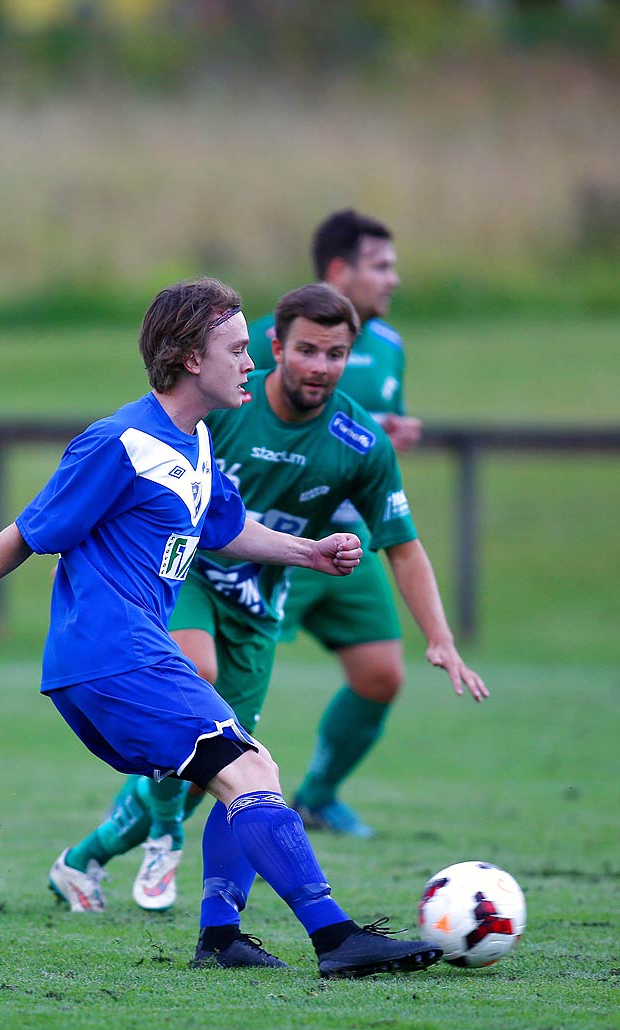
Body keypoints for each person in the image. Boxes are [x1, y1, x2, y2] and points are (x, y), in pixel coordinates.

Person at [0, 277, 442, 978]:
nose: (251, 360)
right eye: (236, 348)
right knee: (248, 768)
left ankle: (222, 937)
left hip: (122, 657)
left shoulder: (195, 445)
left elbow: (228, 530)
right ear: (192, 356)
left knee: (248, 768)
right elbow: (28, 531)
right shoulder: (120, 442)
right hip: (113, 653)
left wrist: (308, 552)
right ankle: (335, 939)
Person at [49, 284, 487, 916]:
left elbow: (404, 545)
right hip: (188, 574)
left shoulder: (361, 444)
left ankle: (89, 855)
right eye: (306, 350)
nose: (320, 366)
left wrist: (440, 639)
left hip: (259, 602)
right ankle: (169, 842)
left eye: (336, 354)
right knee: (197, 676)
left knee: (228, 767)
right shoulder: (224, 404)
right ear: (275, 347)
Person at [245, 209, 419, 837]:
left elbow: (369, 431)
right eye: (382, 266)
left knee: (382, 674)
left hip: (347, 544)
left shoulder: (391, 345)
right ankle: (149, 817)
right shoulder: (268, 336)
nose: (393, 280)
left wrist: (394, 435)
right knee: (224, 699)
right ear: (341, 271)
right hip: (271, 544)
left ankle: (317, 795)